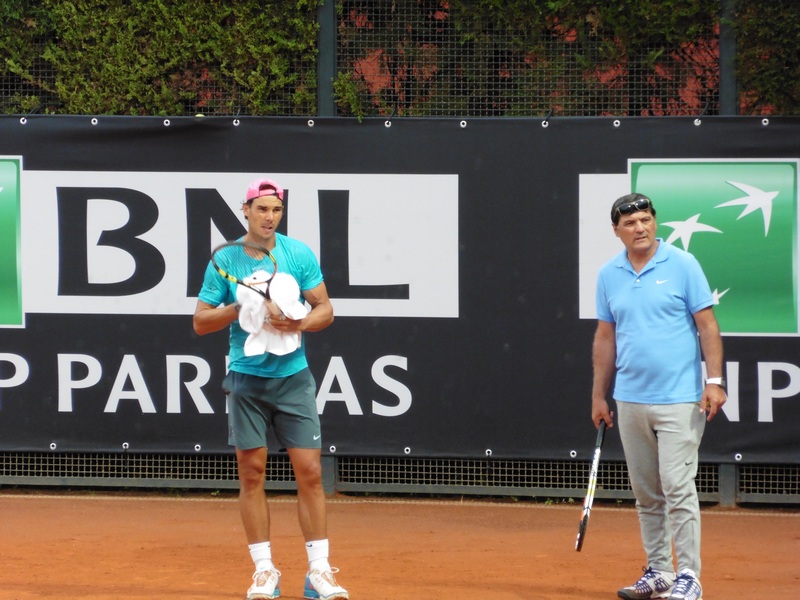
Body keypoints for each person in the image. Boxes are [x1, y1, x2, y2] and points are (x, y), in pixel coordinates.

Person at [193, 178, 348, 600]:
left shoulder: (297, 254)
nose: (269, 217)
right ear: (245, 210)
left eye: (275, 210)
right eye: (261, 209)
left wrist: (298, 323)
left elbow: (326, 309)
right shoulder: (224, 260)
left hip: (293, 379)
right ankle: (264, 571)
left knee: (311, 473)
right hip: (246, 380)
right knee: (252, 474)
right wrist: (239, 307)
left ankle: (319, 572)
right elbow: (200, 322)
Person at [591, 193, 726, 600]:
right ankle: (660, 571)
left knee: (677, 486)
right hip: (629, 399)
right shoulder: (608, 274)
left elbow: (708, 325)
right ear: (617, 231)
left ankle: (689, 576)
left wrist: (715, 380)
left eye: (646, 220)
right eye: (630, 223)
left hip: (680, 399)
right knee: (647, 492)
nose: (640, 228)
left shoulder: (683, 264)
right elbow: (605, 336)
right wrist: (600, 395)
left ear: (655, 222)